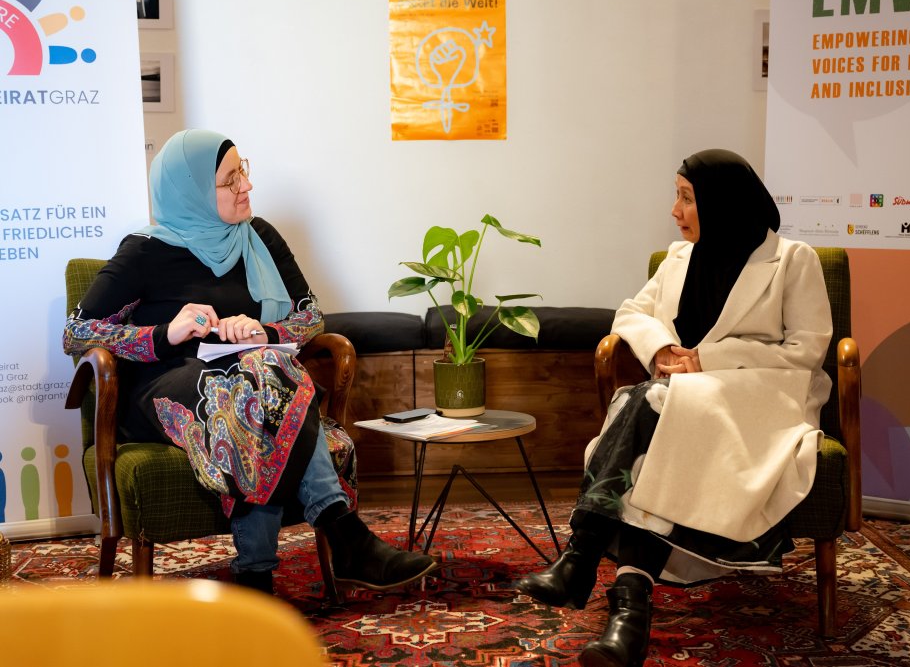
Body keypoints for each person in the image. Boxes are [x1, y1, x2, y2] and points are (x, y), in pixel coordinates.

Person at [63, 129, 436, 594]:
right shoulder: (144, 251)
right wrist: (166, 333)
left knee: (263, 374)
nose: (247, 186)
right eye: (230, 179)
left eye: (244, 171)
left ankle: (261, 572)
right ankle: (340, 541)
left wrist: (267, 332)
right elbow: (78, 332)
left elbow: (310, 314)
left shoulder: (258, 237)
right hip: (166, 385)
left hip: (256, 379)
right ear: (192, 189)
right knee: (251, 388)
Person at [515, 149, 833, 667]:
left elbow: (806, 350)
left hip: (759, 399)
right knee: (655, 421)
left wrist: (708, 360)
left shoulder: (794, 260)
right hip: (680, 399)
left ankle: (581, 554)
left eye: (686, 198)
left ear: (721, 203)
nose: (674, 210)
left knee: (646, 402)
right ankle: (629, 612)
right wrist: (662, 350)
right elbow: (632, 312)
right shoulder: (679, 258)